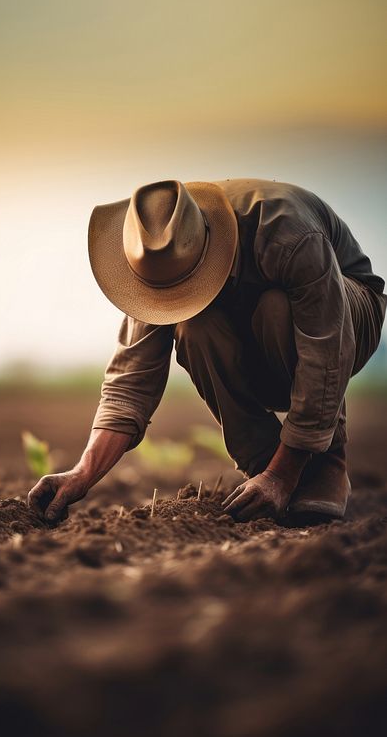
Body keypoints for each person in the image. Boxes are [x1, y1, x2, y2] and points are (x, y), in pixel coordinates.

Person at [28, 179, 386, 523]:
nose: (173, 296)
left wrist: (283, 475)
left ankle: (324, 461)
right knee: (194, 325)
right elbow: (129, 385)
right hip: (262, 331)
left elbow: (325, 351)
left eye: (185, 286)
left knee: (277, 308)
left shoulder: (285, 234)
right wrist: (82, 472)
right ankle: (264, 461)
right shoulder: (155, 258)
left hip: (346, 312)